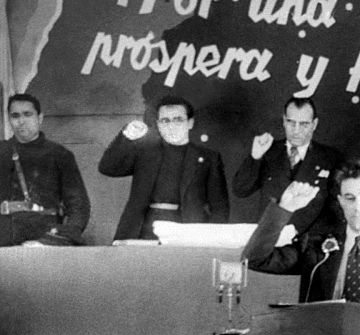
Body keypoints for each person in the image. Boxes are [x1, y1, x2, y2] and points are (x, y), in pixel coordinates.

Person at [242, 159, 360, 315]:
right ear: (341, 202)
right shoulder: (315, 245)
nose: (358, 206)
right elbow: (255, 259)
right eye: (350, 198)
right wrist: (285, 208)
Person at [99, 95, 229, 240]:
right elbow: (108, 168)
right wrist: (126, 136)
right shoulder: (144, 152)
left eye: (178, 120)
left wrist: (210, 240)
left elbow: (219, 207)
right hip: (142, 230)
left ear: (190, 123)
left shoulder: (208, 158)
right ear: (158, 124)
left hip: (188, 231)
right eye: (165, 121)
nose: (171, 126)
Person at [233, 96, 342, 235]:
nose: (296, 130)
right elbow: (240, 190)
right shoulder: (268, 151)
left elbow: (337, 207)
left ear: (314, 124)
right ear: (284, 121)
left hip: (310, 245)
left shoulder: (330, 158)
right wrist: (255, 157)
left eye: (304, 124)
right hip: (269, 239)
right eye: (291, 122)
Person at [0, 93, 90, 246]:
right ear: (9, 120)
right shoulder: (2, 152)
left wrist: (61, 238)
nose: (21, 121)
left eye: (27, 114)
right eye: (15, 116)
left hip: (45, 236)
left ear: (40, 118)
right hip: (5, 235)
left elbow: (78, 204)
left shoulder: (60, 155)